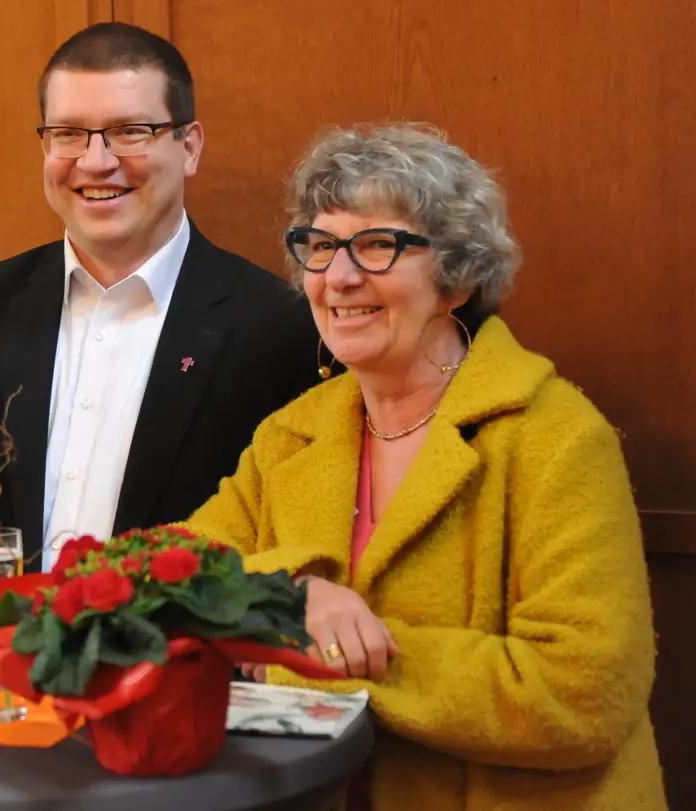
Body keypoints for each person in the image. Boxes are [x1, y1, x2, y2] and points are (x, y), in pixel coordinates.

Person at [186, 123, 666, 810]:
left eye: (378, 245)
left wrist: (320, 660)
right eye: (320, 246)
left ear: (460, 278)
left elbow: (584, 691)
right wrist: (285, 596)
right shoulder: (291, 434)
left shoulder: (556, 436)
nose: (339, 275)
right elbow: (167, 574)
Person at [0, 22, 321, 664]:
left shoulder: (279, 324)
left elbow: (291, 540)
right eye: (68, 134)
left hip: (168, 696)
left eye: (131, 131)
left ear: (189, 145)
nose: (95, 162)